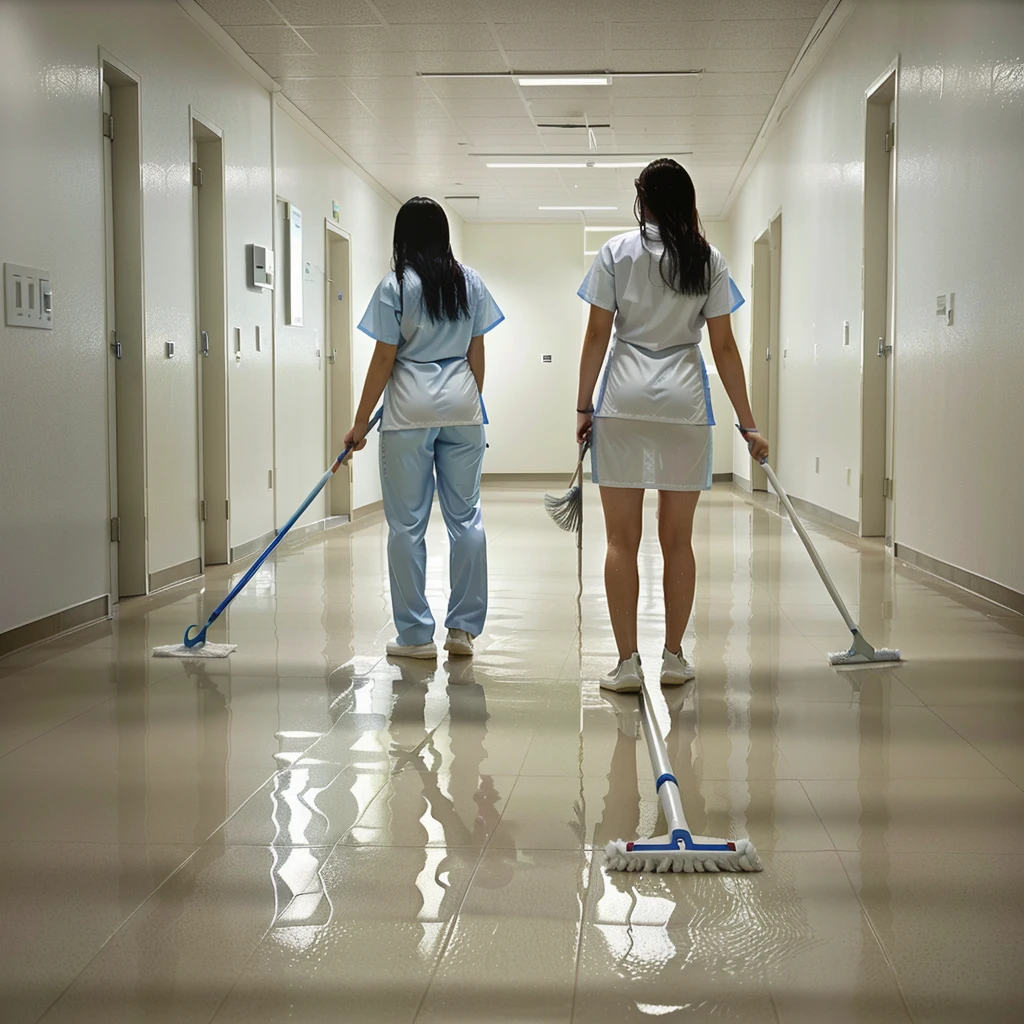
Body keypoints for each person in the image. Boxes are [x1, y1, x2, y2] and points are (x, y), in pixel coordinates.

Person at [575, 158, 769, 693]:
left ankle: (628, 663)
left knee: (621, 540)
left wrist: (583, 406)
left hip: (623, 400)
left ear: (644, 202)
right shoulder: (708, 260)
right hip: (685, 403)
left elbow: (596, 335)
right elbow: (725, 347)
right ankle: (675, 658)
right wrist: (749, 426)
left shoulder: (616, 251)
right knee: (678, 541)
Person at [345, 197, 504, 660]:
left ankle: (415, 636)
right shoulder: (468, 282)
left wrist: (359, 423)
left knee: (406, 526)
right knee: (466, 518)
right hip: (463, 405)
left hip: (409, 412)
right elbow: (477, 355)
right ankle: (463, 631)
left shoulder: (395, 285)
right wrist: (469, 402)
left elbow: (383, 359)